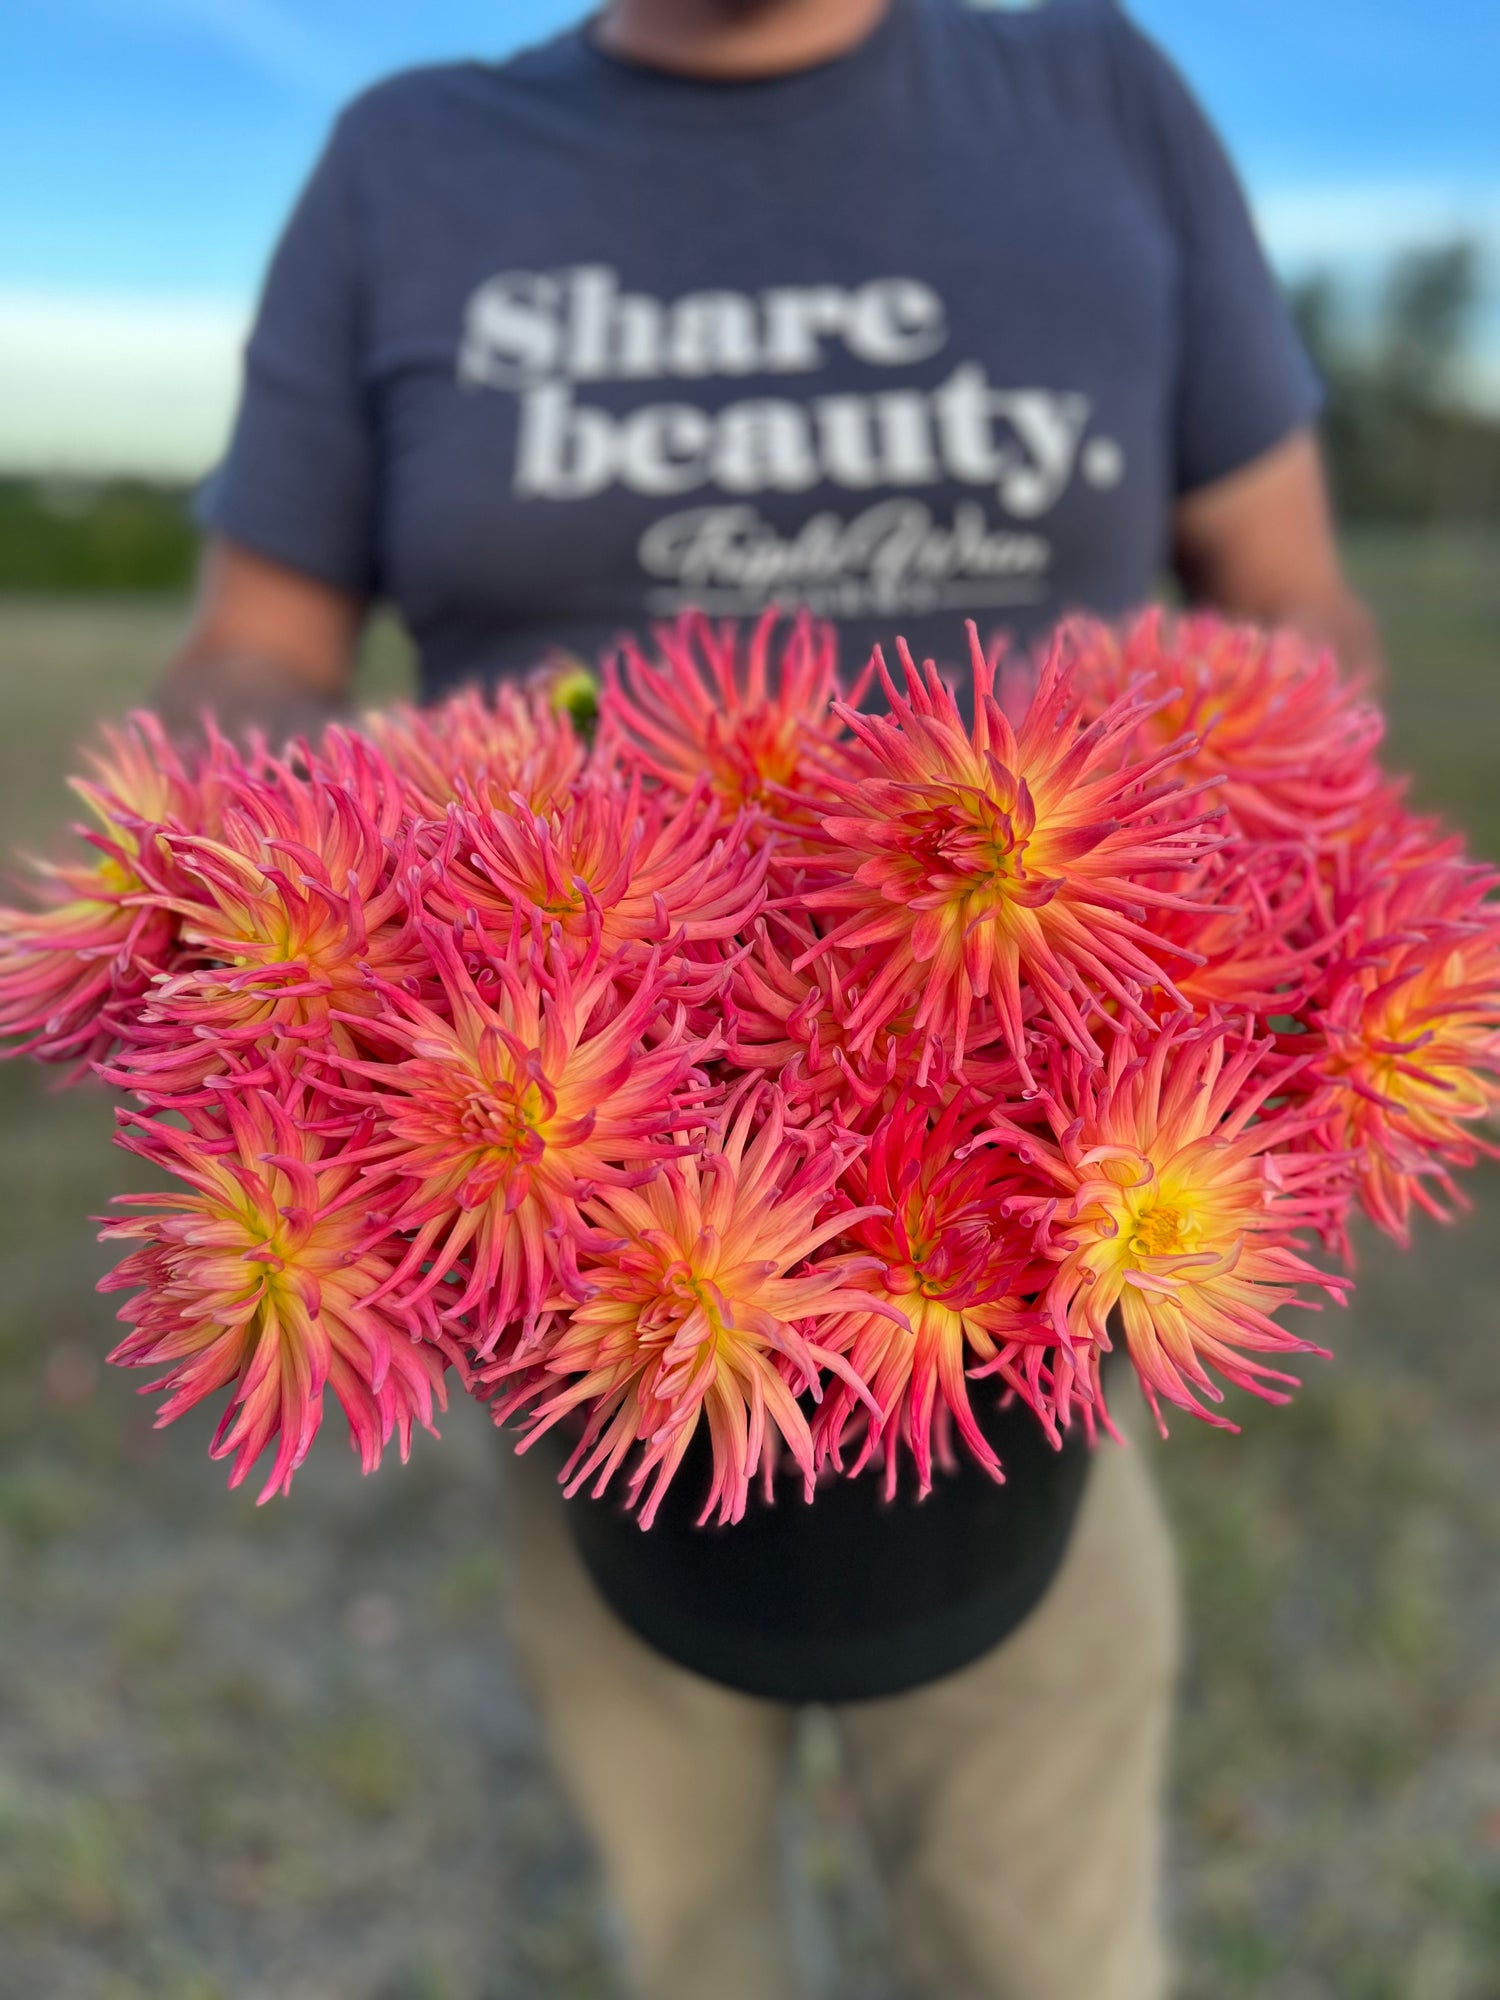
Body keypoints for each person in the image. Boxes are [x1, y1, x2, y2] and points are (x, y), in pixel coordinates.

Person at [159, 3, 1380, 1995]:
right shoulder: (404, 155)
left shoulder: (1100, 99)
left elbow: (1290, 594)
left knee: (1044, 1934)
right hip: (569, 1285)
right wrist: (252, 853)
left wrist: (1247, 797)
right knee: (687, 1923)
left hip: (1031, 1269)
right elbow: (256, 645)